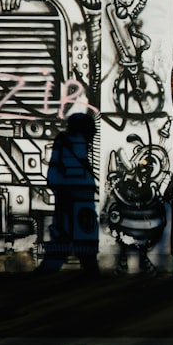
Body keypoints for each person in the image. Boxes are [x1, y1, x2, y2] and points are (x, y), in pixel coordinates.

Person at [37, 112, 100, 276]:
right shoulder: (78, 143)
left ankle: (48, 270)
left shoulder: (63, 141)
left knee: (63, 239)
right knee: (83, 239)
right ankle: (91, 272)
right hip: (79, 197)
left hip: (67, 196)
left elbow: (54, 172)